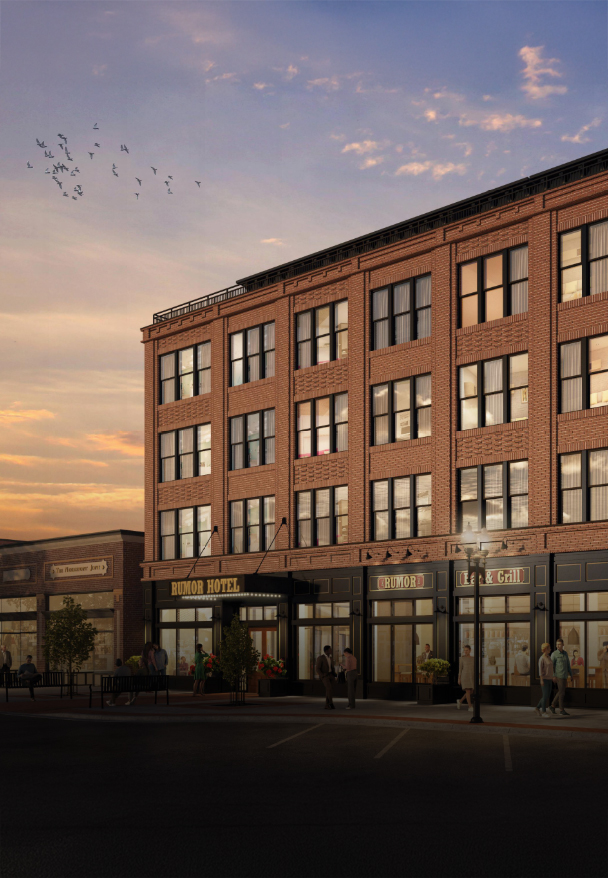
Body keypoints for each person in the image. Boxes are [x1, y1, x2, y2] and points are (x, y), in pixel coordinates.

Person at [549, 637, 573, 716]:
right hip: (558, 676)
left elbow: (568, 665)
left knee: (561, 692)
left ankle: (552, 705)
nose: (558, 646)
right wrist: (553, 676)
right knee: (562, 693)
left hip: (565, 676)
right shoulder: (554, 654)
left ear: (563, 645)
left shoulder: (565, 653)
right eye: (557, 644)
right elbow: (551, 666)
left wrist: (571, 674)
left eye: (559, 644)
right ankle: (561, 710)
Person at [535, 642, 553, 718]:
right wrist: (541, 680)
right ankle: (543, 712)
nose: (550, 649)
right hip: (545, 679)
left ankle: (537, 708)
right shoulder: (541, 659)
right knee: (545, 696)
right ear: (545, 649)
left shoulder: (549, 657)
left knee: (547, 695)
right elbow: (540, 671)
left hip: (550, 679)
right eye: (549, 648)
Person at [315, 645, 335, 710]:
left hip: (331, 675)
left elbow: (332, 667)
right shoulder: (321, 658)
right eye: (330, 650)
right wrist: (322, 675)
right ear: (326, 651)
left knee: (328, 690)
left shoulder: (331, 658)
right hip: (325, 676)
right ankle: (331, 703)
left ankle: (327, 705)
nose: (331, 651)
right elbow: (317, 668)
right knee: (329, 689)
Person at [457, 644, 475, 711]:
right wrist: (459, 679)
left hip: (471, 677)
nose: (465, 652)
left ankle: (460, 701)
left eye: (467, 650)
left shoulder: (473, 659)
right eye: (464, 650)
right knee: (467, 690)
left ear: (470, 650)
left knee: (471, 691)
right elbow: (460, 669)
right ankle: (470, 706)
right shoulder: (462, 659)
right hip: (465, 676)